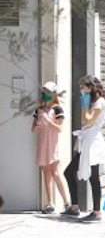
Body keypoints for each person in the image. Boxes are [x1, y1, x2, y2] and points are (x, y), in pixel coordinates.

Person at [61, 75, 105, 222]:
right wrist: (85, 105)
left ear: (91, 87)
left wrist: (84, 106)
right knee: (70, 172)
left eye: (83, 87)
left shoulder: (100, 103)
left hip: (93, 142)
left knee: (93, 176)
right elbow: (84, 120)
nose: (81, 91)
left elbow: (88, 121)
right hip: (86, 140)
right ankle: (75, 207)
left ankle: (96, 211)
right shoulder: (92, 102)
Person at [33, 81, 70, 214]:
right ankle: (50, 203)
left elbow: (60, 128)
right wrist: (38, 123)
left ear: (53, 94)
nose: (45, 94)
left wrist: (48, 121)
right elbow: (34, 130)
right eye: (44, 92)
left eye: (48, 92)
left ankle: (67, 202)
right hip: (42, 144)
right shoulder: (39, 110)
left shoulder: (57, 109)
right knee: (46, 172)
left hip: (53, 145)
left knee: (56, 173)